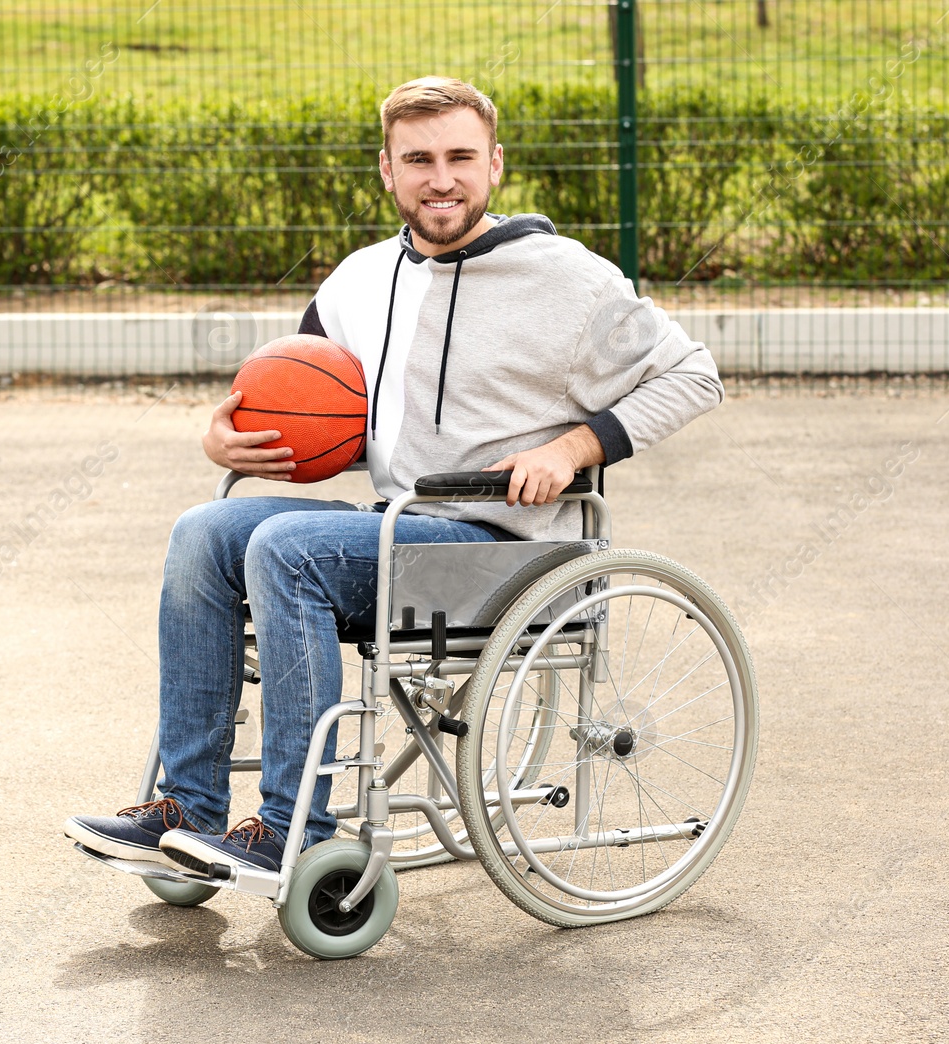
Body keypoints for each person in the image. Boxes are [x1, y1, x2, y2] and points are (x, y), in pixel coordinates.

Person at [64, 75, 723, 878]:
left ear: (495, 164)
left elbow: (694, 376)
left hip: (508, 550)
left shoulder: (570, 280)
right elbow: (307, 401)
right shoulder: (360, 279)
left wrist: (571, 451)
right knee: (202, 531)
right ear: (387, 169)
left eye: (459, 157)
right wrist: (226, 435)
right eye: (418, 159)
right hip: (398, 527)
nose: (440, 178)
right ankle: (187, 809)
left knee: (286, 547)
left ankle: (294, 829)